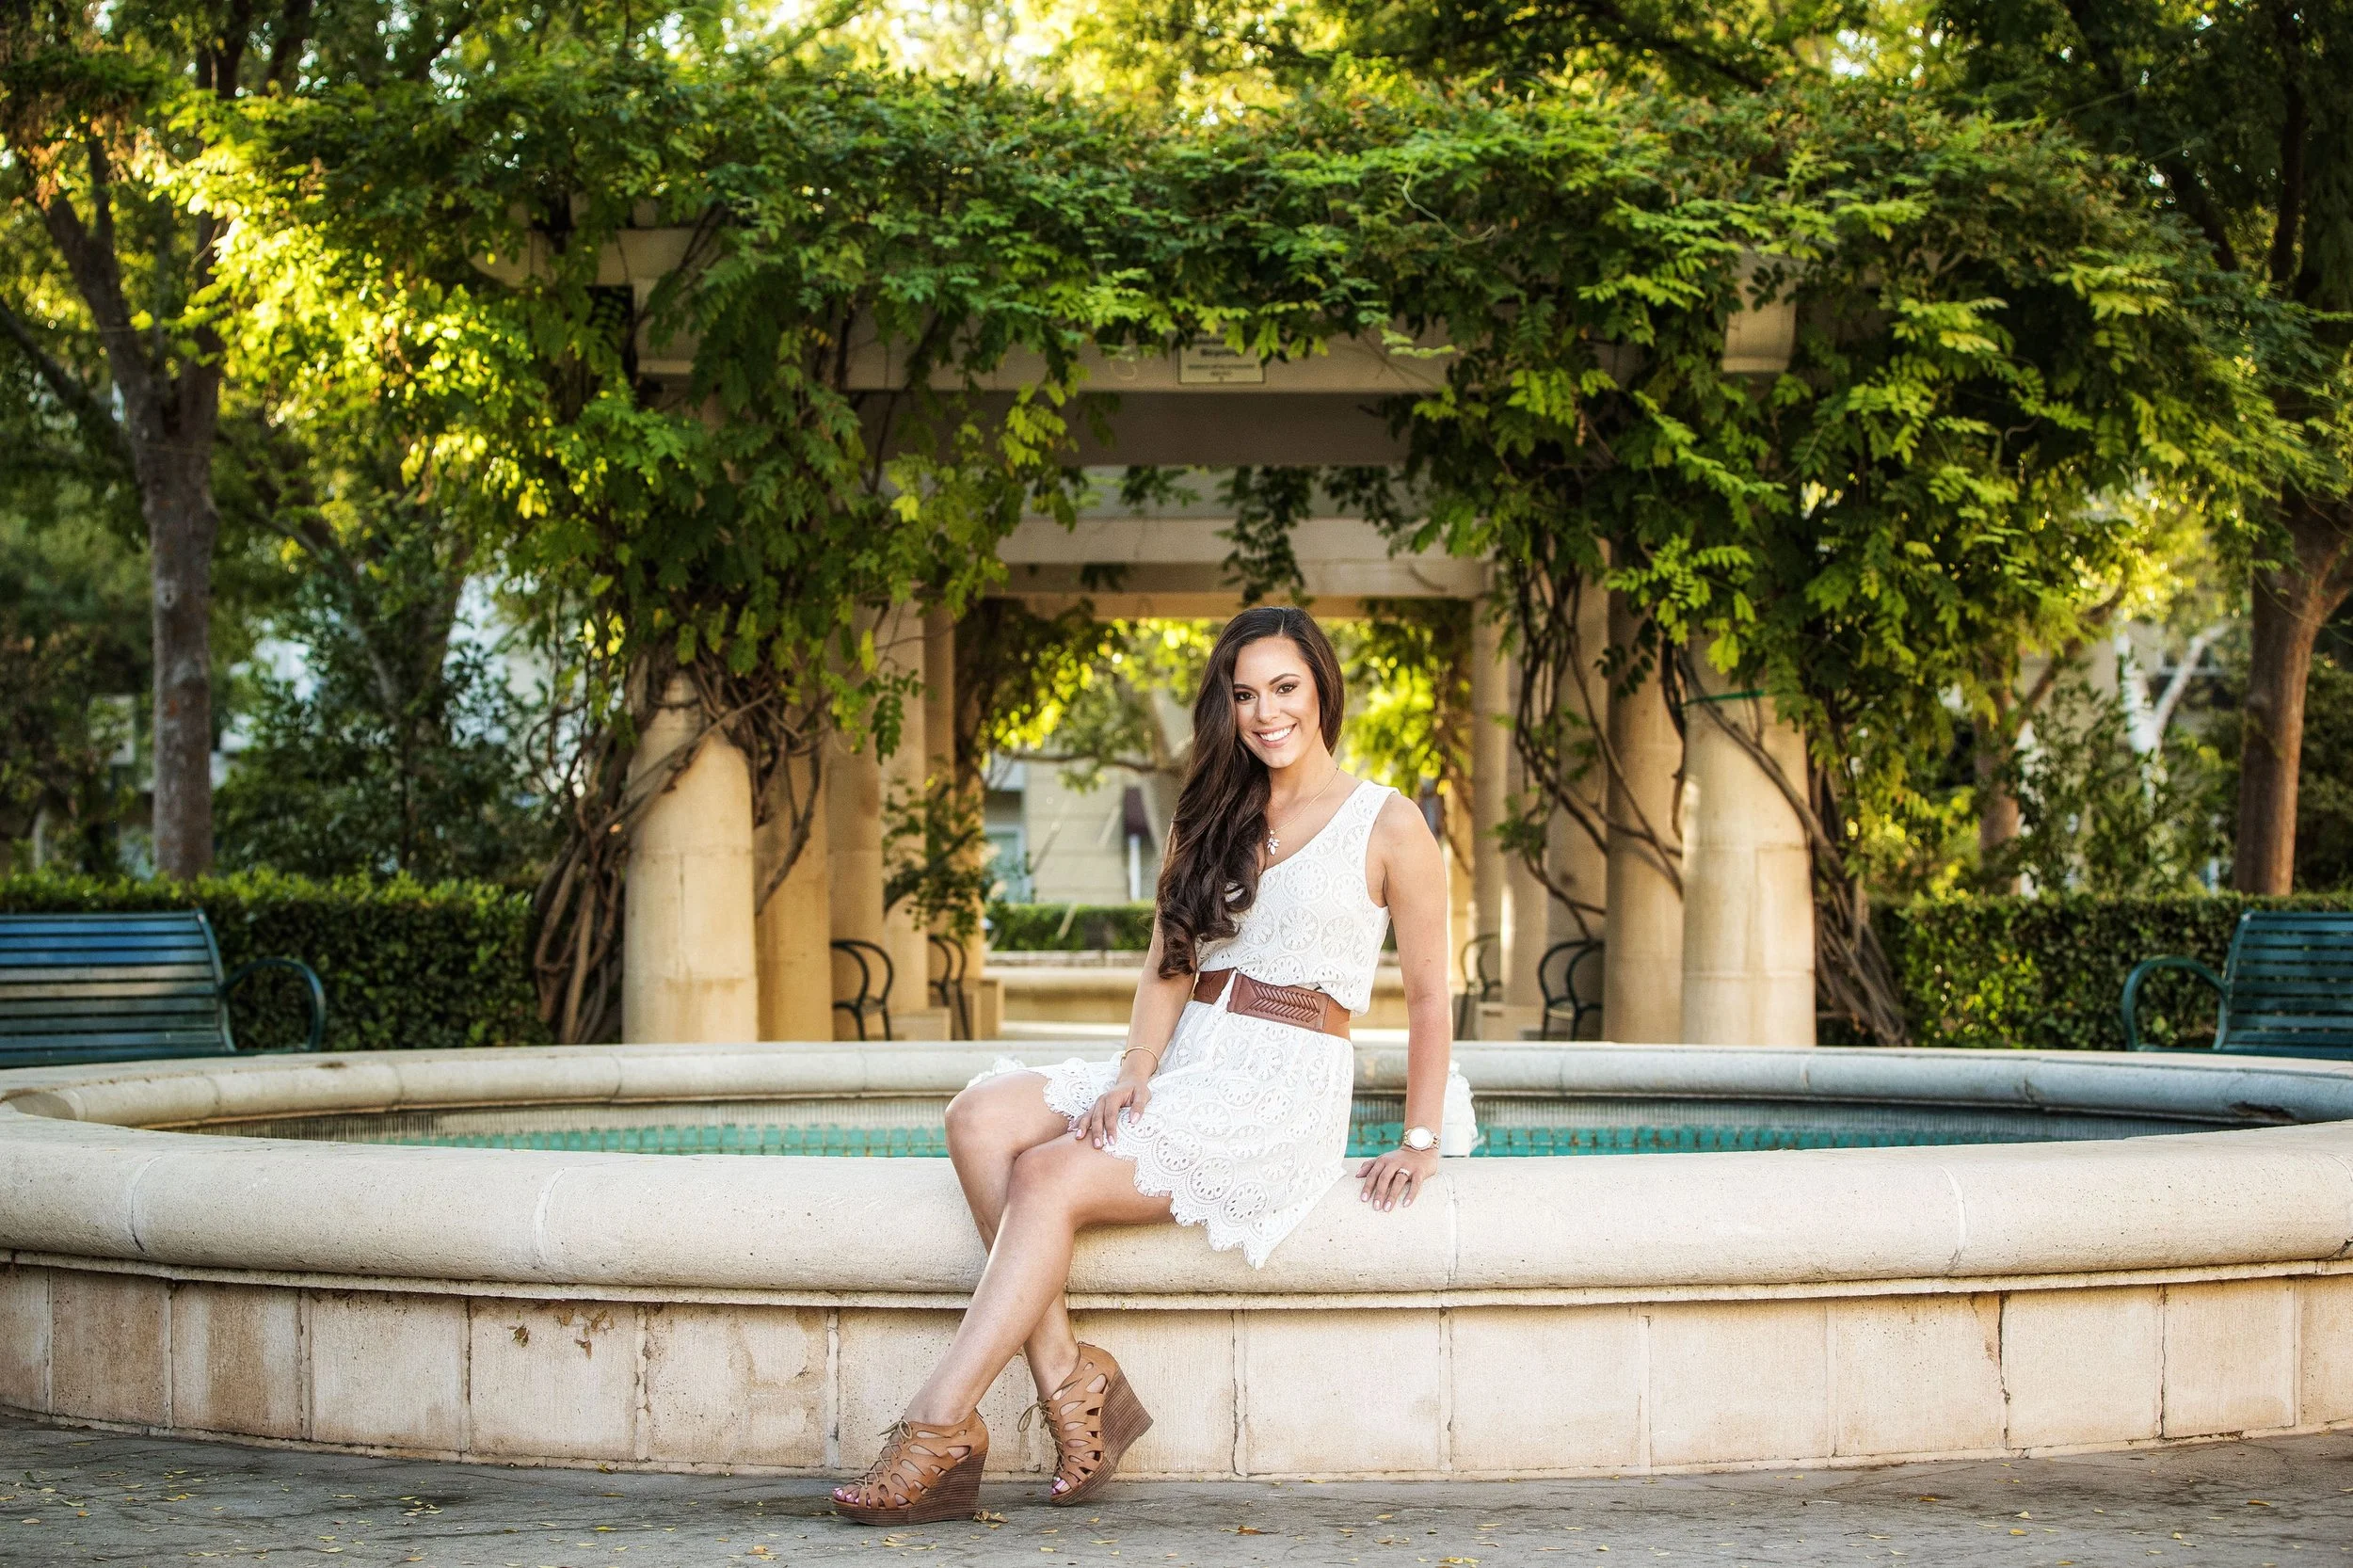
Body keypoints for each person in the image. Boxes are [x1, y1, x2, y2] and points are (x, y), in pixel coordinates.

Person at [831, 605, 1456, 1524]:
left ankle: (939, 1424)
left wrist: (1421, 1135)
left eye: (1284, 687)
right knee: (979, 1116)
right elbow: (1171, 962)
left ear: (1322, 687)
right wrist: (1135, 1065)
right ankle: (1072, 1381)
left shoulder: (1388, 821)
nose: (1264, 711)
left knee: (1047, 1174)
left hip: (1278, 1084)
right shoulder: (1210, 811)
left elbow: (1434, 996)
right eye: (1244, 693)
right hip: (1192, 1053)